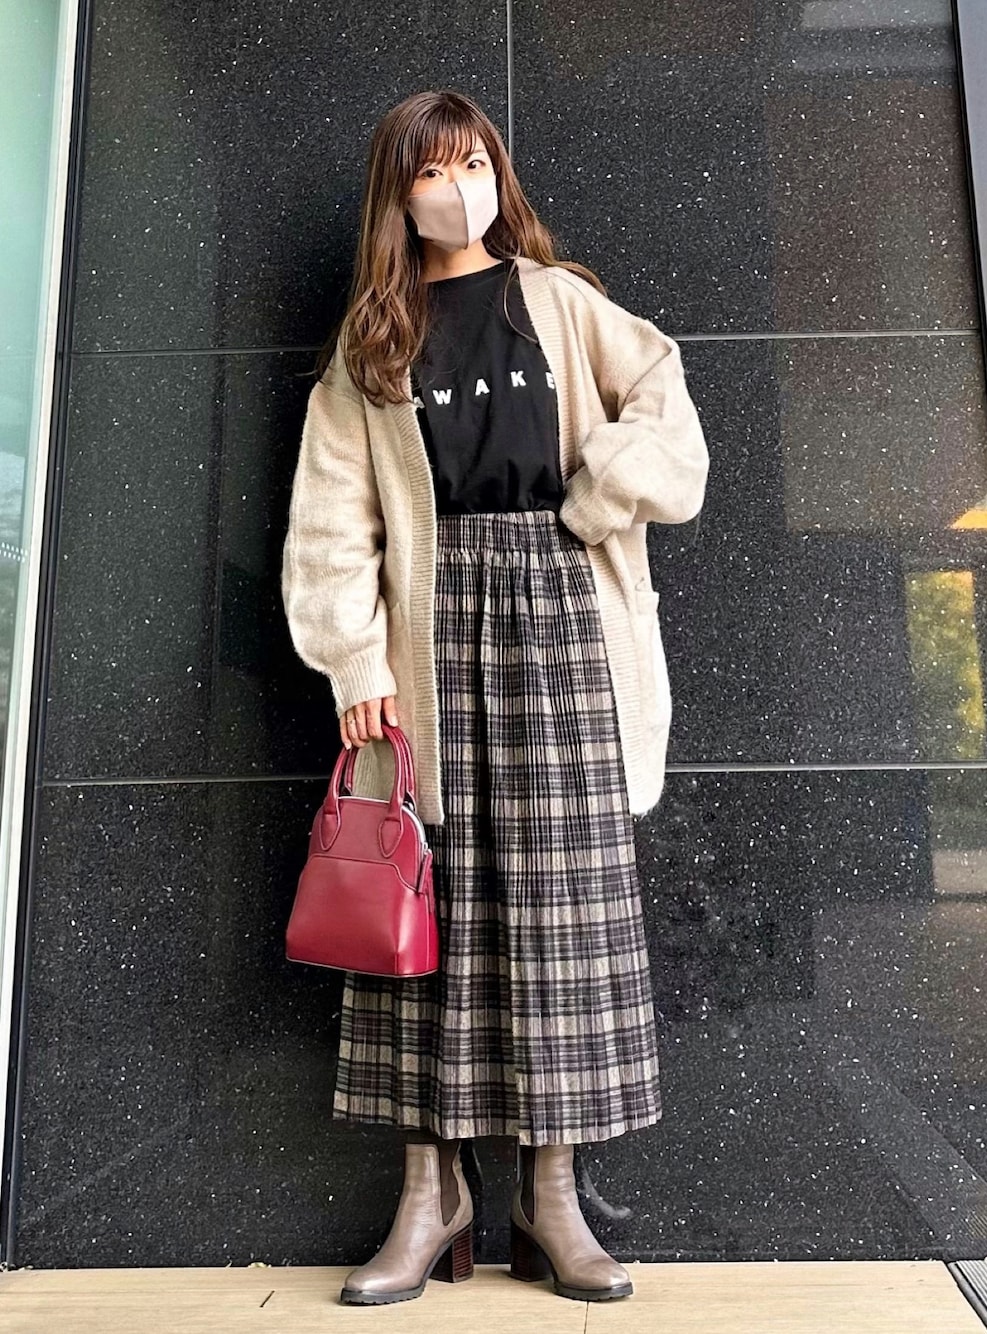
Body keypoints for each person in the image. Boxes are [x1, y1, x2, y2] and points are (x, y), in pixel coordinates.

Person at [280, 88, 709, 1307]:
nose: (455, 187)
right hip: (427, 635)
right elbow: (332, 519)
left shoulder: (558, 301)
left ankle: (550, 1196)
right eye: (431, 170)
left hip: (565, 613)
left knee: (561, 905)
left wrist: (598, 494)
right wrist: (356, 663)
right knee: (428, 900)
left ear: (496, 176)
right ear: (400, 193)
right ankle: (432, 1194)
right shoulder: (373, 342)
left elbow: (665, 403)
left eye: (472, 163)